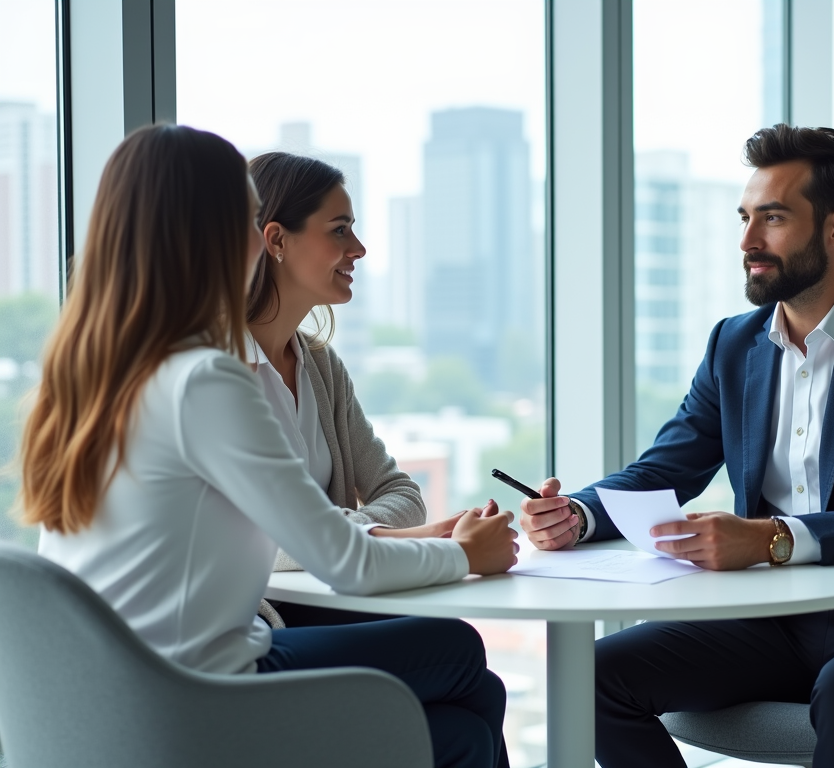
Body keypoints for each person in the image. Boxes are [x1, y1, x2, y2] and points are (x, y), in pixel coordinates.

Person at [20, 124, 516, 768]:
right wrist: (464, 556)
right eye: (250, 218)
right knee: (456, 655)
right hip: (192, 697)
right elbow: (347, 565)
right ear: (212, 232)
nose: (259, 237)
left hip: (98, 701)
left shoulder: (91, 373)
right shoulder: (205, 378)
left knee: (459, 730)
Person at [519, 124, 834, 768]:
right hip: (771, 616)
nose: (747, 241)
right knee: (588, 675)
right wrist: (577, 515)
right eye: (745, 217)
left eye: (771, 218)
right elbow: (670, 465)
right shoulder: (733, 345)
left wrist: (773, 538)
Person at [244, 151, 482, 627]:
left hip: (335, 597)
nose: (359, 248)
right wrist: (404, 536)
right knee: (452, 649)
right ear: (276, 240)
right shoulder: (217, 374)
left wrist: (358, 535)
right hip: (261, 617)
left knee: (463, 659)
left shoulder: (321, 366)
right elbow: (257, 537)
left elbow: (401, 492)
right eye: (339, 230)